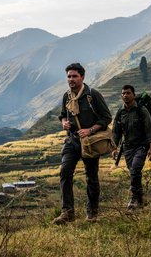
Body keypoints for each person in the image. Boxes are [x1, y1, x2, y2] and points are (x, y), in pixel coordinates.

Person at [53, 63, 112, 224]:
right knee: (65, 172)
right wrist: (64, 122)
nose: (71, 79)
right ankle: (67, 212)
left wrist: (90, 130)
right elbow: (62, 115)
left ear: (82, 77)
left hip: (89, 143)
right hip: (72, 141)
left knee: (91, 177)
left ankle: (92, 213)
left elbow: (106, 118)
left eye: (74, 76)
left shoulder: (93, 95)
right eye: (69, 76)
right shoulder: (67, 96)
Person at [112, 85, 151, 210]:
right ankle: (140, 201)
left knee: (135, 170)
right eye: (123, 93)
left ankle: (133, 199)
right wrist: (114, 148)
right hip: (128, 148)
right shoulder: (120, 112)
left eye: (128, 93)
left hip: (141, 146)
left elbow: (149, 129)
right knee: (134, 173)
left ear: (133, 94)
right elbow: (116, 132)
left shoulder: (141, 110)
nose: (125, 95)